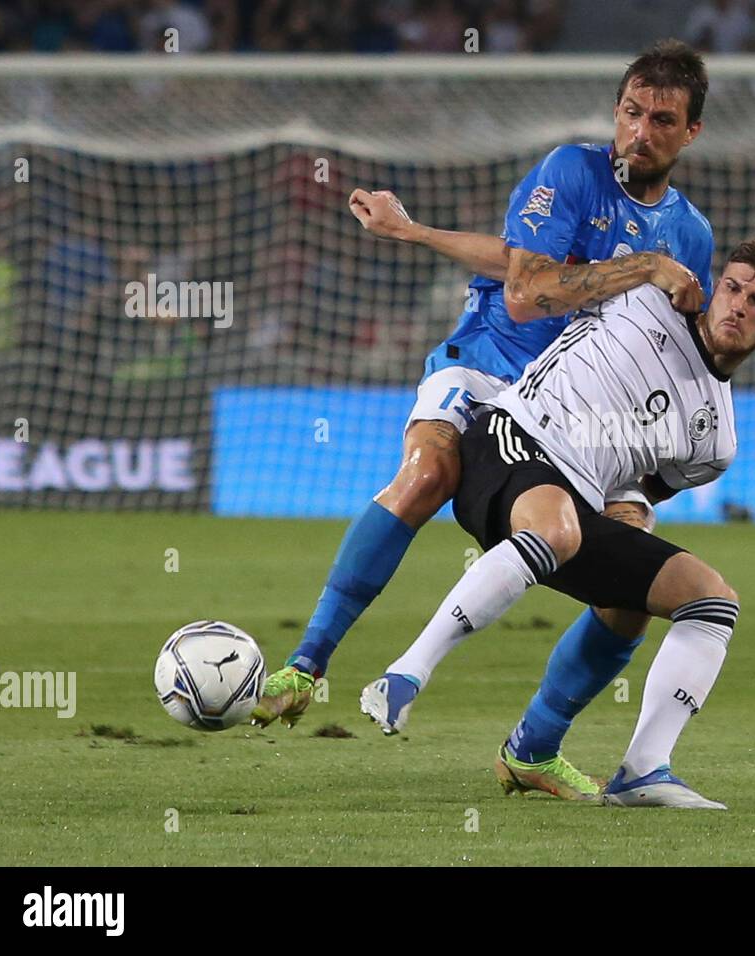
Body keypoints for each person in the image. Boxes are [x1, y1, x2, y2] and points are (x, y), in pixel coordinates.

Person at [250, 42, 716, 756]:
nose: (639, 131)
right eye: (630, 112)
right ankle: (307, 663)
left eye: (661, 119)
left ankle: (536, 749)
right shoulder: (571, 171)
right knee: (429, 470)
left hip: (585, 409)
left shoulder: (692, 234)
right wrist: (645, 267)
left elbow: (671, 344)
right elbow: (525, 291)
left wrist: (414, 231)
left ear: (690, 134)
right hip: (495, 360)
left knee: (632, 574)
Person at [359, 232, 755, 808]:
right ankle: (406, 673)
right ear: (716, 286)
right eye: (733, 288)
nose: (739, 306)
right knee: (558, 528)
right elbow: (531, 283)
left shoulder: (715, 440)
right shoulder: (643, 296)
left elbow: (632, 492)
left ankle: (639, 769)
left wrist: (628, 545)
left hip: (566, 508)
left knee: (707, 598)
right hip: (506, 442)